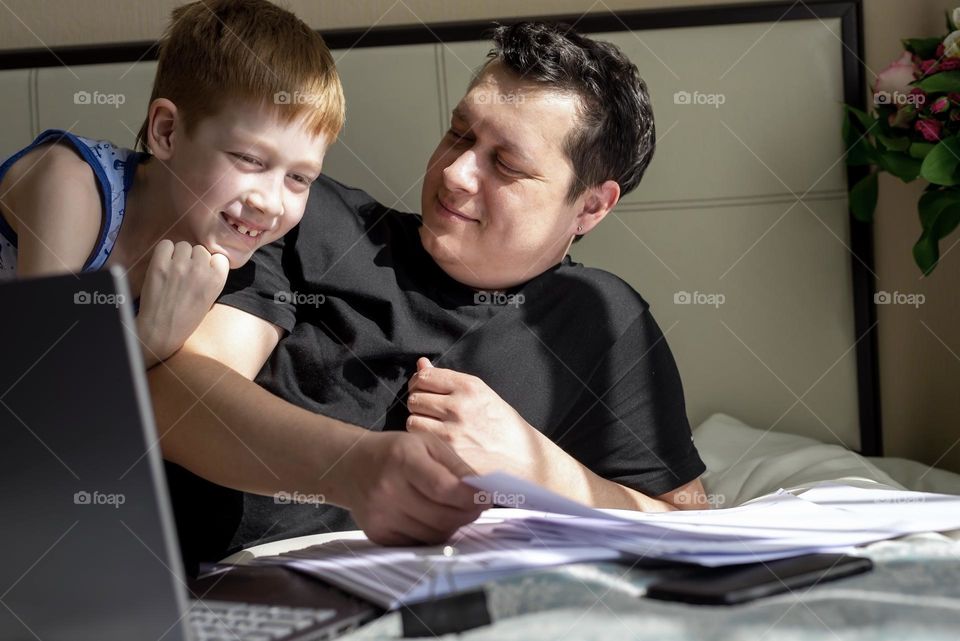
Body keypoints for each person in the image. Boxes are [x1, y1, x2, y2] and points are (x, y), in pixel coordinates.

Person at [149, 22, 708, 570]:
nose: (457, 173)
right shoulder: (302, 218)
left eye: (507, 164)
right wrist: (355, 467)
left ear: (590, 206)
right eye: (460, 133)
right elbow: (181, 396)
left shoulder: (602, 319)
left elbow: (684, 521)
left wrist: (538, 470)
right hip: (223, 585)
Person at [0, 0, 343, 368]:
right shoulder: (71, 186)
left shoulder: (223, 256)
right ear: (167, 132)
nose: (272, 203)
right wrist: (147, 340)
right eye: (250, 159)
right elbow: (33, 384)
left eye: (299, 178)